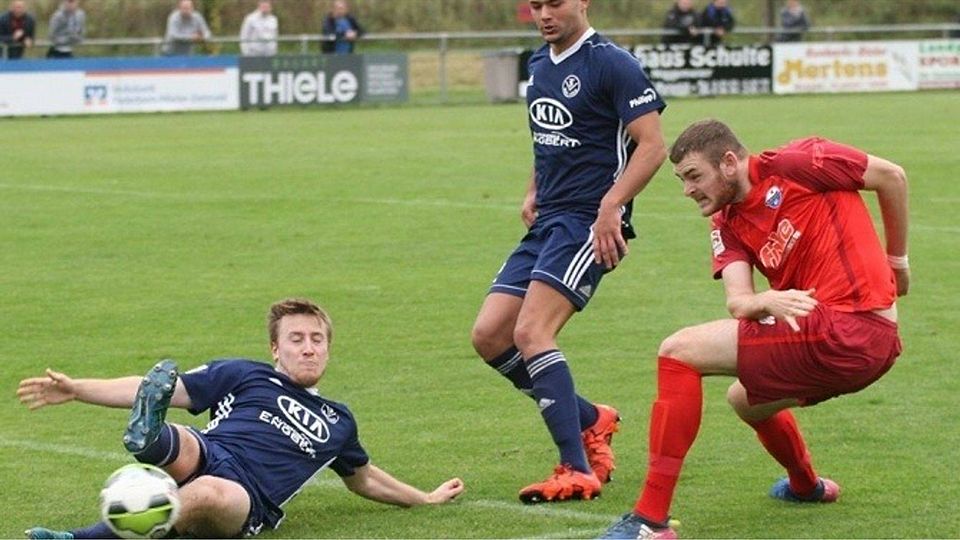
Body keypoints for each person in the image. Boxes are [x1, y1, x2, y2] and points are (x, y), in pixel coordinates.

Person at [599, 119, 908, 539]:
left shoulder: (801, 162)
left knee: (677, 351)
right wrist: (760, 301)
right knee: (745, 400)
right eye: (682, 180)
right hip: (842, 341)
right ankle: (807, 486)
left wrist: (897, 263)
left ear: (729, 162)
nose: (687, 190)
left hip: (854, 326)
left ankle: (650, 521)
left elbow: (892, 177)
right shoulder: (726, 223)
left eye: (694, 176)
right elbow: (738, 300)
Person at [19, 298, 464, 538]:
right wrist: (78, 389)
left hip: (249, 497)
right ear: (276, 349)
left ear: (327, 348)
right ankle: (148, 441)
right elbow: (159, 387)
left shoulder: (337, 420)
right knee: (182, 438)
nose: (308, 347)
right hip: (211, 449)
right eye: (296, 339)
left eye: (316, 339)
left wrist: (423, 498)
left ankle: (80, 538)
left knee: (209, 492)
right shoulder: (243, 373)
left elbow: (364, 479)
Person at [470, 0, 667, 504]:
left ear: (583, 2)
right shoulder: (539, 63)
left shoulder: (612, 63)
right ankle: (591, 419)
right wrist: (533, 187)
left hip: (589, 221)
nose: (544, 14)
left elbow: (652, 146)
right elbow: (551, 137)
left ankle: (575, 468)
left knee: (532, 332)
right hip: (550, 217)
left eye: (554, 2)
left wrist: (611, 207)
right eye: (535, 5)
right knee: (490, 336)